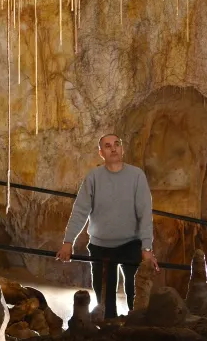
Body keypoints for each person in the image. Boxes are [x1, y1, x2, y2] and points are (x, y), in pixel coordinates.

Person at [56, 133, 158, 319]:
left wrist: (147, 247)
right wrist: (68, 241)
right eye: (108, 146)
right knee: (105, 298)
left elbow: (144, 213)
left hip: (130, 243)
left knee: (136, 293)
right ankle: (109, 330)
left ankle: (137, 328)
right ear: (101, 153)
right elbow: (80, 211)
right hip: (101, 246)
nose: (113, 148)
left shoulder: (136, 176)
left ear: (122, 148)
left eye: (117, 144)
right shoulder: (93, 178)